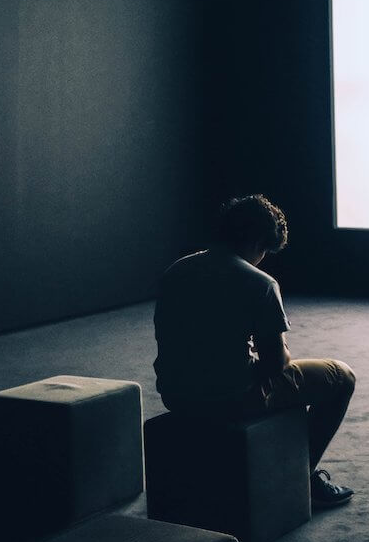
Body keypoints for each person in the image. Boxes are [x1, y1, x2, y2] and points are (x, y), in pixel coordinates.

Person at [153, 194, 356, 507]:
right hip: (230, 398)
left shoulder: (176, 271)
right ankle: (301, 476)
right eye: (265, 249)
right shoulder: (259, 282)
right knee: (341, 377)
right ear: (258, 240)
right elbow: (276, 363)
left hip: (176, 393)